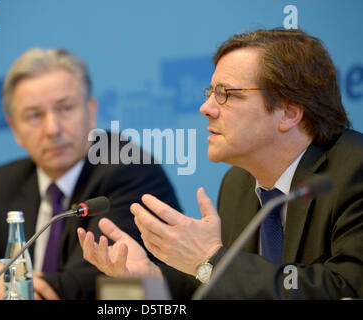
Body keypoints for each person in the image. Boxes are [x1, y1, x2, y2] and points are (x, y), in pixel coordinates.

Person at [78, 28, 363, 299]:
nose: (206, 108)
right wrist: (152, 278)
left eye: (226, 94)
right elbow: (232, 288)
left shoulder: (355, 171)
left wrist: (211, 259)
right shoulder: (237, 183)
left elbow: (346, 289)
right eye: (211, 92)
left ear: (288, 113)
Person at [0, 48, 180, 300]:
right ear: (15, 129)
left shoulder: (128, 169)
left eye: (65, 108)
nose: (52, 129)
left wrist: (1, 282)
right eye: (34, 115)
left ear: (91, 112)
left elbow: (84, 286)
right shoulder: (8, 181)